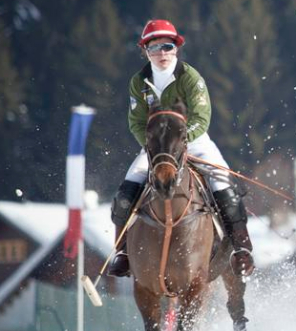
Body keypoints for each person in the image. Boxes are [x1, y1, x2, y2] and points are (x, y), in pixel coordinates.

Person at [108, 19, 254, 278]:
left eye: (167, 46)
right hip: (158, 150)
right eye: (155, 48)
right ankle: (121, 252)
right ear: (146, 51)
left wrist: (181, 141)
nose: (162, 53)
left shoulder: (189, 77)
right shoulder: (138, 82)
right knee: (124, 194)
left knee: (225, 189)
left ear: (176, 48)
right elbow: (136, 122)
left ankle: (241, 250)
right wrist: (156, 146)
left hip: (195, 144)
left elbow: (201, 116)